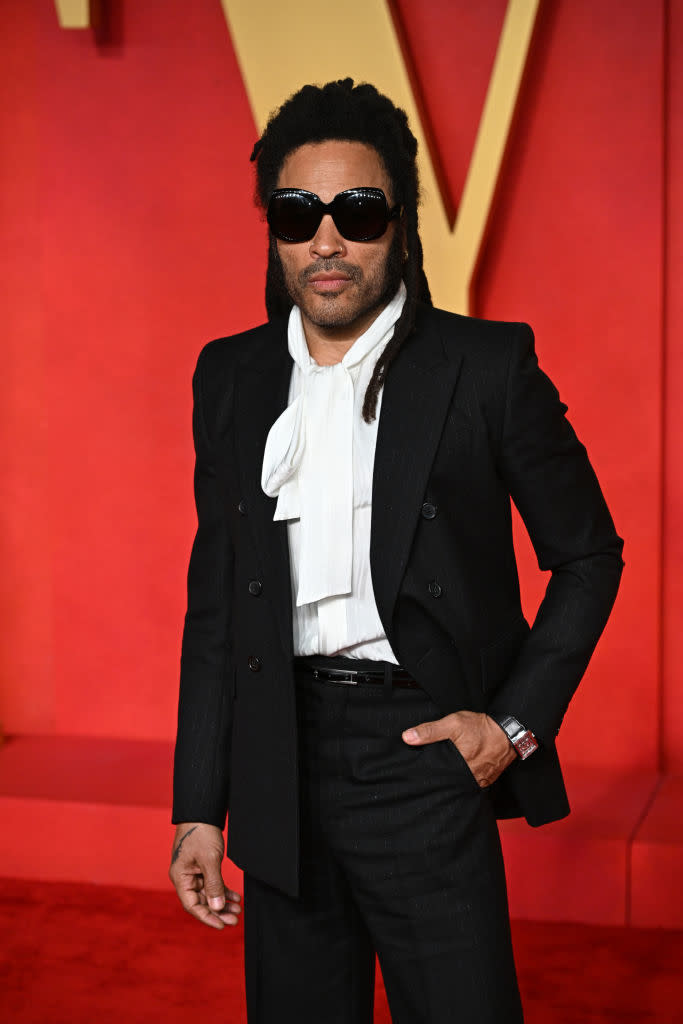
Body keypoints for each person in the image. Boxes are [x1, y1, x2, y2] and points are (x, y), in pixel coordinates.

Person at [169, 79, 624, 1024]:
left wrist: (512, 728)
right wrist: (199, 806)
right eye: (299, 214)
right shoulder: (231, 376)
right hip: (276, 761)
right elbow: (218, 604)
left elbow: (589, 556)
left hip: (424, 758)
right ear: (274, 230)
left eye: (357, 210)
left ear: (400, 226)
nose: (325, 240)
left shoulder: (487, 366)